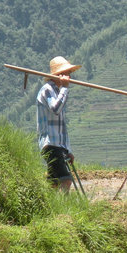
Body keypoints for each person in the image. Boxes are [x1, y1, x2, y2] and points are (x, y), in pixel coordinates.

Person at [36, 56, 81, 192]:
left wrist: (68, 149)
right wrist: (65, 88)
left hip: (58, 145)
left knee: (53, 183)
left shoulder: (58, 91)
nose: (69, 76)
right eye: (67, 73)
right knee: (66, 180)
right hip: (50, 144)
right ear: (59, 75)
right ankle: (65, 210)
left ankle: (50, 208)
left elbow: (61, 125)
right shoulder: (48, 89)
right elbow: (56, 109)